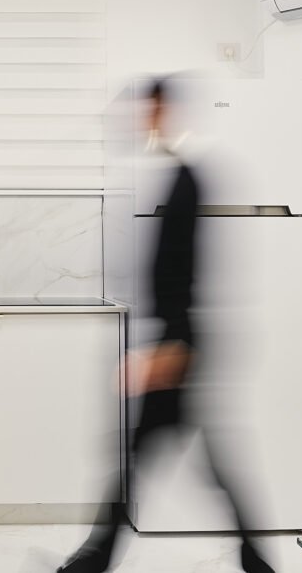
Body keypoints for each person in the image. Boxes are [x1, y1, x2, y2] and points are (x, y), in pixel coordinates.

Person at [56, 78, 276, 573]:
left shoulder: (187, 177)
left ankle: (93, 561)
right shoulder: (178, 174)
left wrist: (170, 346)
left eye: (146, 109)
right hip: (183, 339)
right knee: (187, 457)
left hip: (182, 342)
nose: (138, 120)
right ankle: (254, 558)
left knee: (147, 455)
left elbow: (183, 269)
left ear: (164, 110)